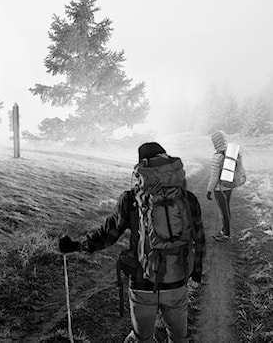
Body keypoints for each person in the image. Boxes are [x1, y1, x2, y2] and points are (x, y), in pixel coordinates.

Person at [58, 142, 205, 343]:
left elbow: (107, 235)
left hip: (142, 282)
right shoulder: (187, 199)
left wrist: (76, 245)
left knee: (141, 338)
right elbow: (199, 238)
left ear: (141, 169)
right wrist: (196, 271)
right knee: (179, 338)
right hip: (177, 280)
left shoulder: (131, 200)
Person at [206, 130, 245, 242]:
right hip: (229, 186)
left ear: (215, 142)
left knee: (223, 211)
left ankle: (226, 234)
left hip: (219, 188)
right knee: (226, 209)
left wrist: (209, 191)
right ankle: (224, 230)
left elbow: (214, 177)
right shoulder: (232, 153)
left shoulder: (217, 156)